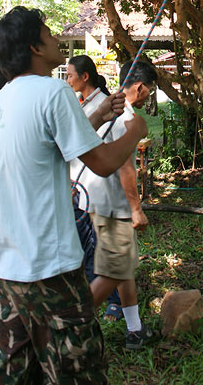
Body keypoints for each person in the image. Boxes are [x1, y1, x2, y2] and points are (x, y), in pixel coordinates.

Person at [0, 6, 147, 385]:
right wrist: (135, 132)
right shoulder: (54, 90)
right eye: (49, 33)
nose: (57, 40)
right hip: (46, 269)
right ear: (35, 48)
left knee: (11, 372)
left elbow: (52, 145)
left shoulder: (3, 99)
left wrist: (101, 115)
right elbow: (102, 162)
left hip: (2, 266)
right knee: (78, 370)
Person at [79, 59, 158, 350]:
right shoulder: (124, 118)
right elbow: (126, 167)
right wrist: (136, 209)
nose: (150, 95)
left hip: (88, 199)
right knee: (114, 270)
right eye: (150, 89)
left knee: (122, 268)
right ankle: (74, 327)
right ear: (139, 86)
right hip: (111, 203)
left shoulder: (104, 108)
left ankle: (135, 329)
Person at [67, 55, 123, 322]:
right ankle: (92, 297)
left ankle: (115, 303)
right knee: (86, 247)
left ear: (84, 77)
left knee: (104, 246)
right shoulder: (79, 104)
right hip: (79, 186)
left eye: (70, 75)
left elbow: (115, 150)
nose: (68, 80)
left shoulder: (105, 104)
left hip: (100, 186)